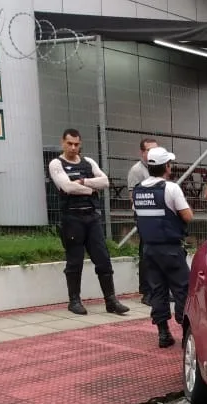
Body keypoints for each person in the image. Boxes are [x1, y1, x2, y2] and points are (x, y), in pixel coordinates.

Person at [48, 128, 129, 316]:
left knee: (103, 259)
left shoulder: (88, 162)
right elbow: (67, 187)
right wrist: (92, 188)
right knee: (74, 262)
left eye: (76, 144)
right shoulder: (56, 163)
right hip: (72, 218)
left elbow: (105, 182)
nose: (73, 147)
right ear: (63, 142)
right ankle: (74, 301)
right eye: (69, 143)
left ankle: (111, 300)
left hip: (92, 218)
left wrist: (83, 182)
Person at [131, 146, 194, 349]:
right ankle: (186, 333)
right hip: (171, 249)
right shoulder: (171, 188)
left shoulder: (138, 189)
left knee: (157, 291)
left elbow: (138, 215)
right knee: (183, 289)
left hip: (148, 249)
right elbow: (187, 216)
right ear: (166, 166)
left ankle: (163, 334)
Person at [127, 137, 159, 305]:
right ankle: (146, 292)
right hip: (144, 217)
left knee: (158, 254)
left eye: (155, 150)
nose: (153, 153)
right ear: (142, 152)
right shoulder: (136, 170)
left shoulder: (158, 169)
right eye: (149, 150)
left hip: (158, 216)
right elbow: (132, 197)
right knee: (146, 253)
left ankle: (158, 290)